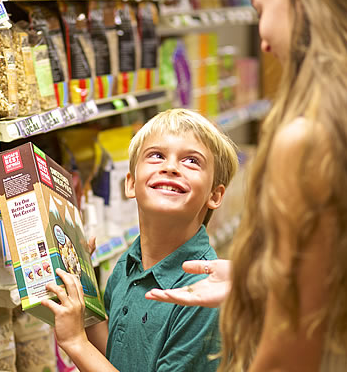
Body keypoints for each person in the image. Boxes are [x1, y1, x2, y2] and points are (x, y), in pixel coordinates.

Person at [146, 0, 347, 371]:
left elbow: (290, 354)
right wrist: (259, 283)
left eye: (260, 10)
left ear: (303, 1)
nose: (264, 41)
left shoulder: (311, 142)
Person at [41, 109, 239, 371]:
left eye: (191, 161)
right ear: (131, 183)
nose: (170, 167)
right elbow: (116, 352)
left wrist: (77, 343)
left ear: (215, 194)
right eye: (156, 156)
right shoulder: (128, 264)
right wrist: (83, 299)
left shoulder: (203, 295)